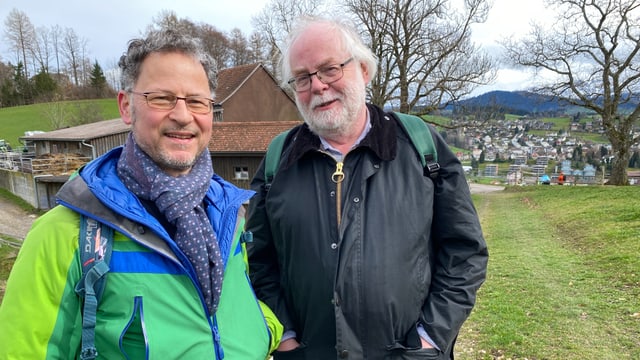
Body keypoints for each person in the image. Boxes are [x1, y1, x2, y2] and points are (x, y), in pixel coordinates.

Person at [0, 29, 280, 359]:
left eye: (196, 101)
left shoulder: (229, 213)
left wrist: (269, 331)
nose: (182, 115)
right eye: (161, 98)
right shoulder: (66, 234)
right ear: (126, 106)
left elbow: (235, 303)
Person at [246, 15, 489, 360]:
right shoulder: (277, 161)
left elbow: (465, 253)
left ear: (363, 69)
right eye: (302, 78)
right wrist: (285, 337)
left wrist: (430, 338)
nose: (317, 86)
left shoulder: (420, 147)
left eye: (330, 69)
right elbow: (259, 262)